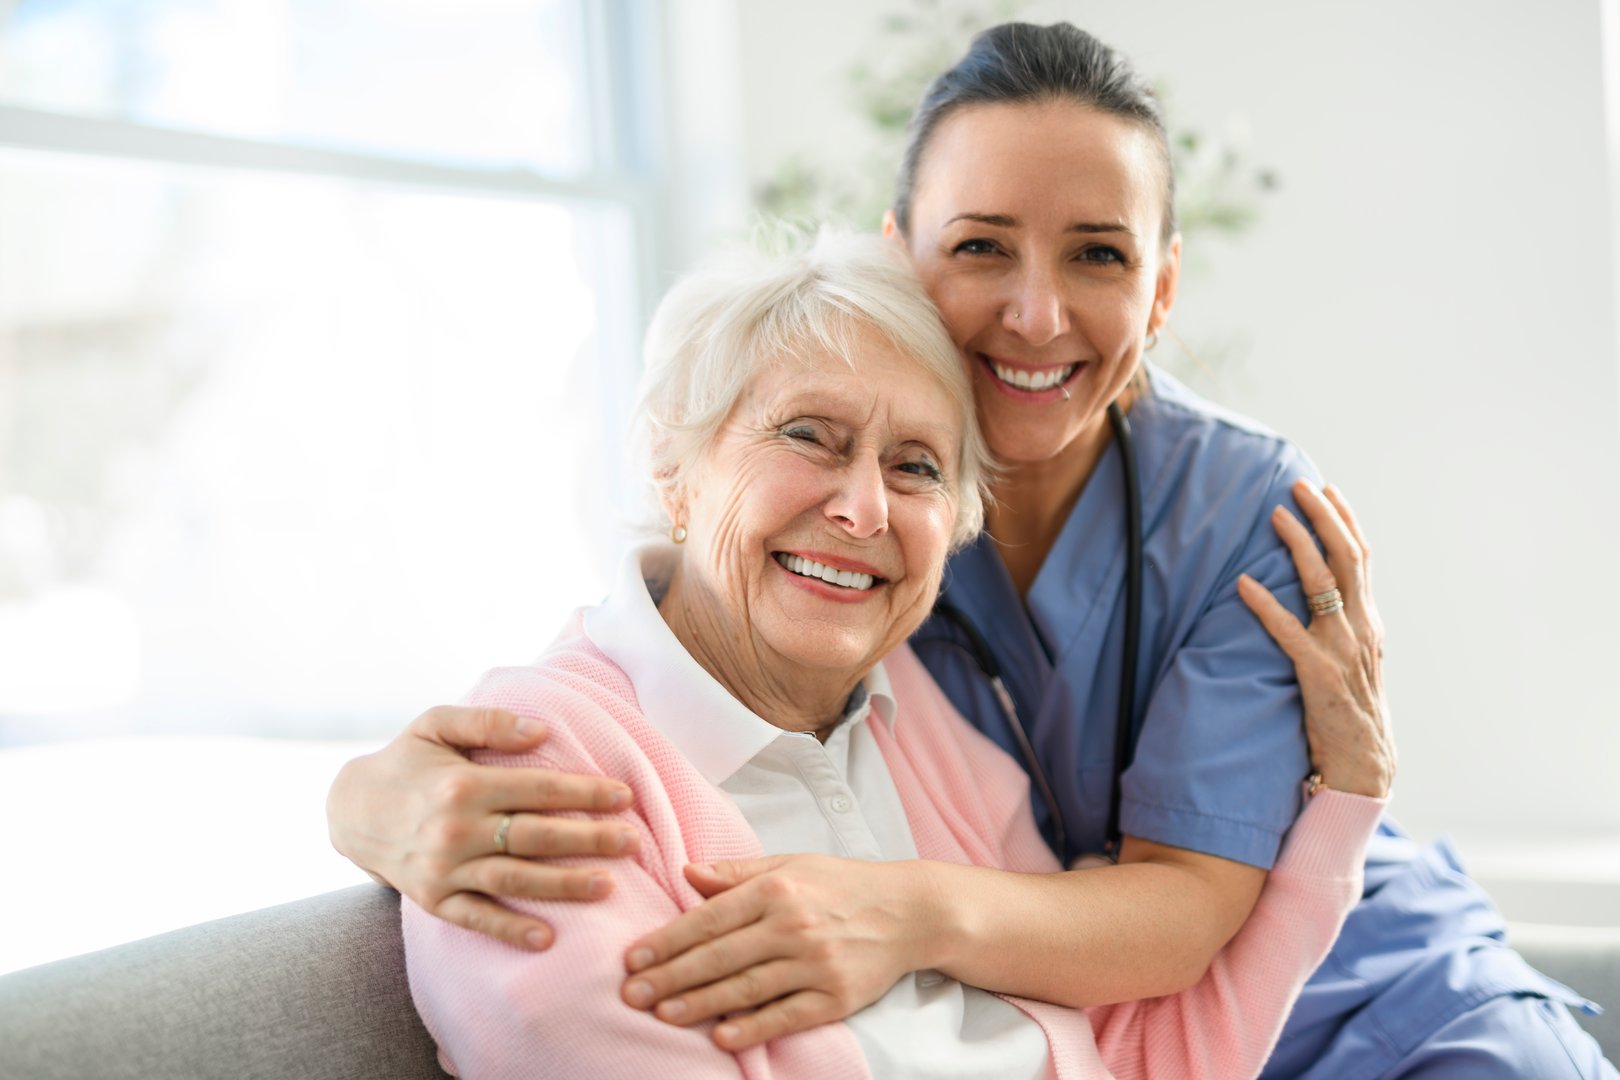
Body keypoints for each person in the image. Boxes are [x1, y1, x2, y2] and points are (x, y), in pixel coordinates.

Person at [330, 22, 1616, 1079]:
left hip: (1360, 990)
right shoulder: (865, 551)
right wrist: (361, 800)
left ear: (1163, 291)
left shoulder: (1244, 511)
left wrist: (903, 911)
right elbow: (656, 643)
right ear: (904, 258)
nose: (1036, 313)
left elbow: (1189, 913)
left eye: (1098, 255)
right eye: (982, 245)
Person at [402, 230, 1390, 1079]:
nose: (865, 508)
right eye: (810, 436)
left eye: (915, 467)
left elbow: (1139, 1053)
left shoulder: (914, 721)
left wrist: (1342, 805)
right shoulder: (543, 763)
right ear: (675, 467)